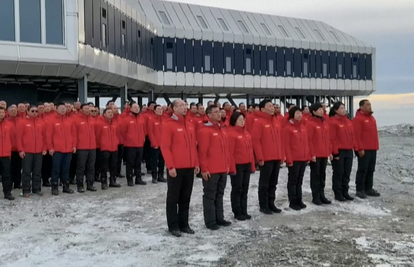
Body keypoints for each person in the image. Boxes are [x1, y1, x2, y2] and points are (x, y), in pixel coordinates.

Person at [161, 99, 199, 237]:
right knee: (173, 198)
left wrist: (196, 162)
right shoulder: (168, 124)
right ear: (174, 108)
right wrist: (170, 166)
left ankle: (184, 224)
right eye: (181, 106)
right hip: (176, 167)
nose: (184, 108)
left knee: (185, 197)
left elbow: (193, 146)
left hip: (189, 167)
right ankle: (173, 225)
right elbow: (165, 147)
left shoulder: (189, 124)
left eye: (185, 105)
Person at [198, 105, 231, 230]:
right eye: (216, 112)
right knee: (210, 196)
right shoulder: (205, 131)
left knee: (220, 194)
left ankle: (219, 218)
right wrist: (204, 169)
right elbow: (202, 152)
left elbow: (226, 150)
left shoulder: (222, 130)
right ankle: (210, 221)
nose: (219, 114)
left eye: (219, 112)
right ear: (209, 115)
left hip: (222, 168)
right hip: (211, 169)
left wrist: (227, 164)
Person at [251, 100, 284, 215]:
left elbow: (280, 140)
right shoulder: (259, 122)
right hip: (266, 157)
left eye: (273, 106)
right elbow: (256, 141)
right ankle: (263, 205)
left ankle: (271, 203)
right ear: (262, 109)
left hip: (276, 156)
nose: (272, 108)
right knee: (264, 183)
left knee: (273, 182)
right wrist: (259, 157)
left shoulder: (276, 121)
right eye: (269, 106)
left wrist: (281, 154)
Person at [227, 112, 255, 220]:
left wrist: (252, 165)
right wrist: (232, 168)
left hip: (247, 164)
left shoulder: (247, 133)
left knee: (245, 189)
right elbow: (230, 153)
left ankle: (244, 210)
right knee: (237, 189)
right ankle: (237, 211)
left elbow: (251, 150)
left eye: (243, 119)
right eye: (239, 119)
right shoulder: (231, 134)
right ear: (234, 121)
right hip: (237, 165)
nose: (242, 121)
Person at [283, 106, 310, 211]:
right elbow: (287, 145)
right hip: (294, 159)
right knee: (293, 180)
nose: (299, 115)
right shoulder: (288, 128)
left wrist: (307, 155)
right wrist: (289, 159)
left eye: (301, 113)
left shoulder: (303, 127)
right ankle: (293, 201)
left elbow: (306, 143)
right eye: (297, 113)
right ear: (292, 114)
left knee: (300, 180)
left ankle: (299, 199)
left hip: (303, 158)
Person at [16, 105, 47, 197]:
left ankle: (36, 189)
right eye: (32, 111)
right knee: (26, 171)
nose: (35, 113)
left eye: (36, 111)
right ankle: (26, 190)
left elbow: (44, 137)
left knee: (37, 171)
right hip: (27, 151)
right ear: (28, 112)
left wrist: (44, 148)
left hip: (38, 151)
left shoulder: (41, 122)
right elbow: (19, 138)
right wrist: (21, 150)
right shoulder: (22, 122)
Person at [329, 102, 357, 202]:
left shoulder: (348, 122)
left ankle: (345, 191)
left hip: (349, 150)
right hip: (339, 151)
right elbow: (332, 138)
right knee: (338, 172)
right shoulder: (333, 122)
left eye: (344, 108)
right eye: (341, 108)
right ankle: (338, 192)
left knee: (347, 172)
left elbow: (353, 136)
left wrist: (355, 148)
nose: (343, 110)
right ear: (336, 110)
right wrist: (335, 152)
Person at [46, 103, 76, 195]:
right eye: (61, 108)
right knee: (56, 169)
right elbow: (48, 135)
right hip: (57, 150)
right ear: (56, 109)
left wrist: (74, 145)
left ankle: (66, 186)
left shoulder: (69, 120)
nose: (63, 110)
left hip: (68, 150)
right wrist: (50, 148)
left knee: (66, 169)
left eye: (64, 108)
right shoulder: (52, 121)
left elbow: (74, 135)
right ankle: (54, 187)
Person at [306, 103, 333, 205]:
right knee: (316, 176)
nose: (322, 111)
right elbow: (309, 140)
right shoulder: (310, 123)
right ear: (313, 111)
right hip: (316, 155)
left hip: (324, 153)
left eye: (322, 109)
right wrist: (312, 154)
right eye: (319, 110)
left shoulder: (325, 123)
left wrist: (329, 152)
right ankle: (315, 196)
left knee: (322, 176)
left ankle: (322, 195)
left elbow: (328, 139)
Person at [353, 99, 380, 198]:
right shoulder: (358, 119)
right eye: (367, 105)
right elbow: (356, 135)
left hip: (373, 148)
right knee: (362, 169)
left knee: (371, 169)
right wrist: (359, 148)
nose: (369, 106)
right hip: (364, 148)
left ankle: (368, 188)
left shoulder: (372, 118)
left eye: (370, 104)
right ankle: (360, 189)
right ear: (361, 107)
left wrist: (376, 146)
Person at [119, 102, 147, 186]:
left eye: (138, 107)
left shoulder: (141, 118)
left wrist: (143, 138)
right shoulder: (126, 119)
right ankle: (130, 179)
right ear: (130, 108)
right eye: (134, 107)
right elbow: (122, 132)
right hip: (130, 145)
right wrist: (125, 141)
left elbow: (144, 130)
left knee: (138, 163)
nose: (137, 108)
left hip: (140, 144)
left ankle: (138, 178)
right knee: (130, 163)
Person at [73, 104, 97, 192]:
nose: (87, 110)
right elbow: (74, 134)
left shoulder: (92, 120)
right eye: (85, 109)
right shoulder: (76, 120)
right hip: (82, 147)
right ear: (81, 110)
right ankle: (80, 185)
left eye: (88, 109)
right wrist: (75, 146)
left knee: (91, 167)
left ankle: (90, 184)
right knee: (81, 167)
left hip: (92, 147)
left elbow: (96, 133)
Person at [95, 108, 121, 190]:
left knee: (113, 165)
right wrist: (100, 145)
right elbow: (97, 136)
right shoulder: (100, 123)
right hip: (104, 148)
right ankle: (104, 182)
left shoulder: (115, 123)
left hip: (114, 147)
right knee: (104, 166)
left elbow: (117, 134)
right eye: (108, 112)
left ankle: (113, 180)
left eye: (111, 112)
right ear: (104, 114)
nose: (110, 114)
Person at [148, 105, 167, 184]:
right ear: (154, 111)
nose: (160, 110)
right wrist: (154, 143)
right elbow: (150, 133)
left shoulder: (164, 119)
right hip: (155, 144)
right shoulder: (151, 119)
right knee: (155, 161)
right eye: (158, 109)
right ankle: (154, 176)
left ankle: (161, 175)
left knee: (162, 161)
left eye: (161, 109)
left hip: (163, 144)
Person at [0, 107, 15, 200]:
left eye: (2, 112)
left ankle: (7, 193)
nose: (1, 114)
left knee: (6, 174)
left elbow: (12, 139)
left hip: (5, 154)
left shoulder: (9, 124)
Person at [7, 105, 22, 189]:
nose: (13, 112)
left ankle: (17, 183)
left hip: (19, 149)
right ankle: (10, 183)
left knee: (18, 168)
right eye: (12, 111)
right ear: (8, 112)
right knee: (10, 168)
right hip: (10, 149)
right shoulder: (6, 122)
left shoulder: (20, 121)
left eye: (15, 110)